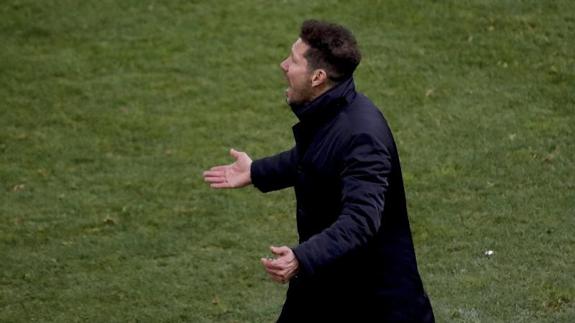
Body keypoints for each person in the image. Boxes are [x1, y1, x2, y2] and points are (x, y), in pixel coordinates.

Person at [203, 20, 434, 322]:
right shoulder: (333, 112)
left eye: (294, 60)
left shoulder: (362, 135)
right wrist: (257, 171)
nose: (283, 65)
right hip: (325, 279)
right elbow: (315, 158)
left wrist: (301, 257)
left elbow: (361, 219)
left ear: (318, 77)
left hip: (374, 299)